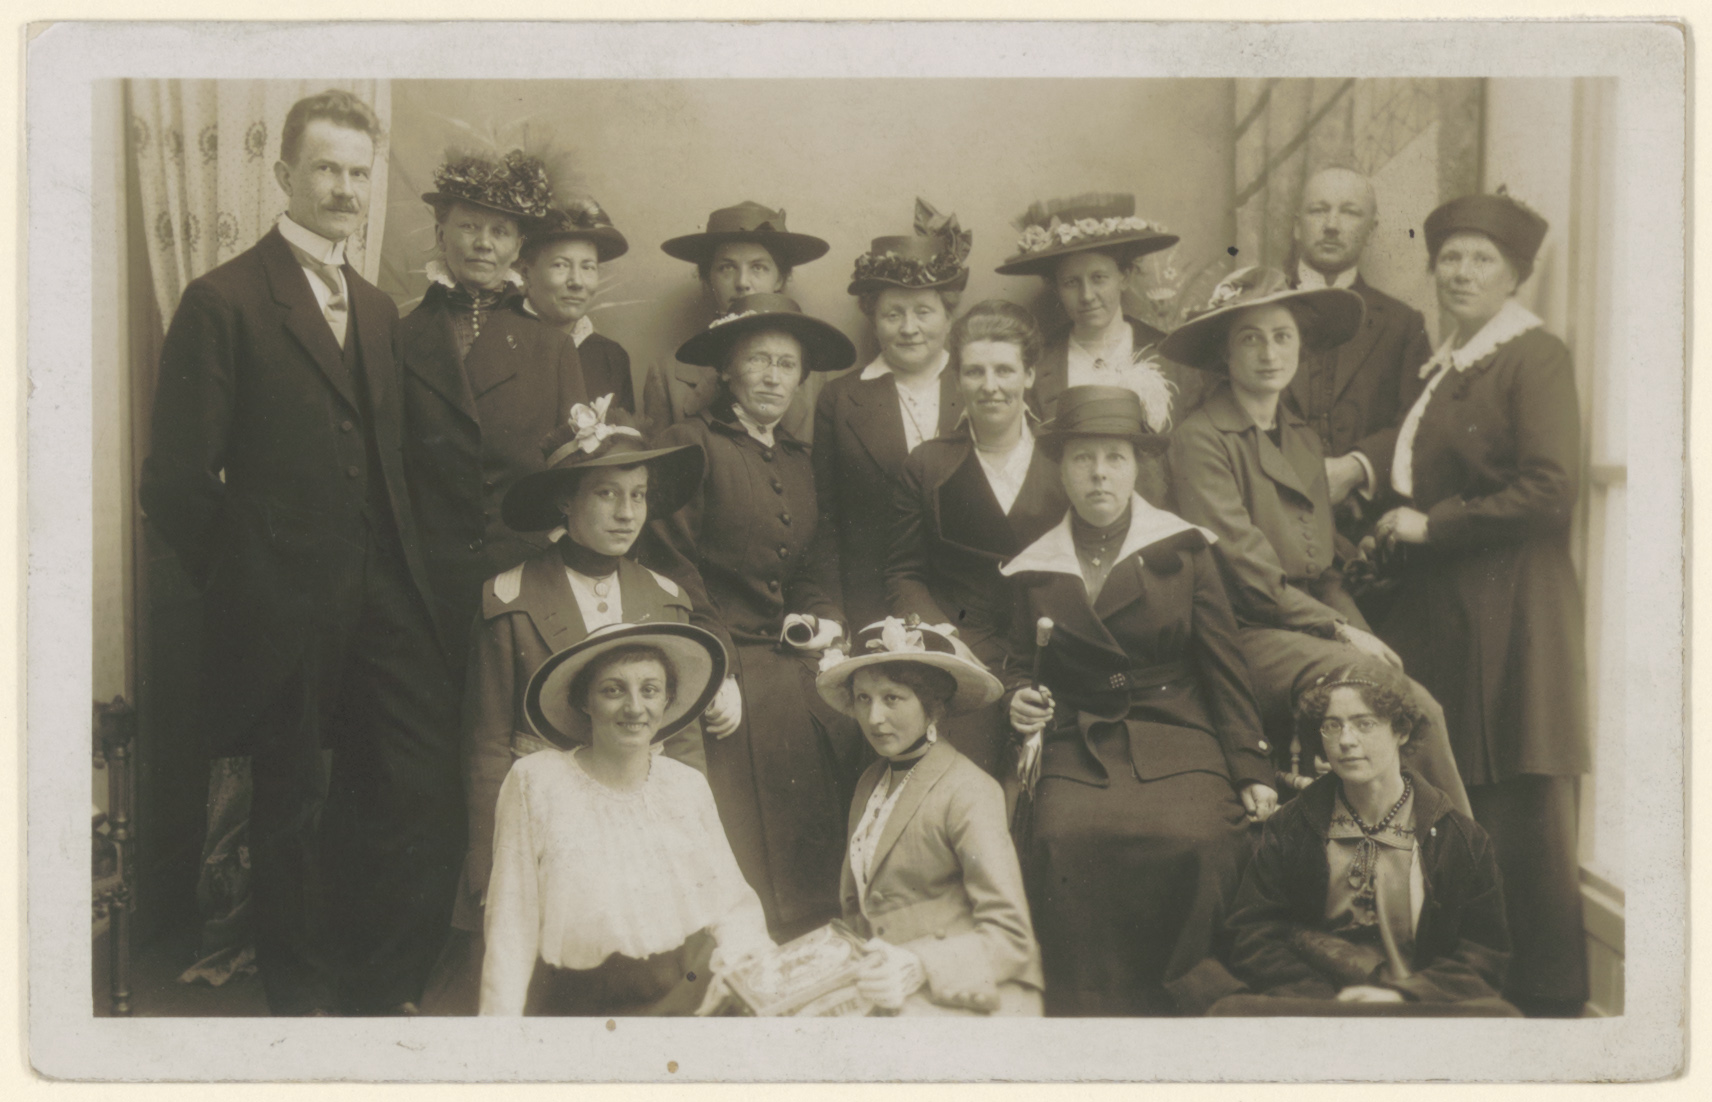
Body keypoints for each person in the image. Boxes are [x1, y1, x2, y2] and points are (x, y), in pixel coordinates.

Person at [139, 90, 459, 1015]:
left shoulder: (378, 308)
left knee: (412, 783)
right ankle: (305, 1005)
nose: (345, 189)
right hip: (280, 604)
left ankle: (381, 988)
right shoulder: (224, 300)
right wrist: (249, 579)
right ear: (283, 175)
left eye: (359, 173)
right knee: (294, 810)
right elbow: (176, 483)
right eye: (326, 169)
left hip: (385, 593)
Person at [422, 397, 741, 1013]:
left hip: (640, 821)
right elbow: (486, 746)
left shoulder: (666, 600)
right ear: (565, 503)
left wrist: (691, 851)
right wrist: (489, 865)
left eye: (639, 495)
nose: (627, 513)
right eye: (606, 495)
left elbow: (682, 747)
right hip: (546, 834)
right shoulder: (511, 600)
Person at [1368, 190, 1590, 1017]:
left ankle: (1542, 995)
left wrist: (1434, 524)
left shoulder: (1534, 357)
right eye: (1449, 258)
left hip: (1515, 607)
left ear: (1514, 276)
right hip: (1454, 606)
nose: (1460, 272)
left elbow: (1551, 488)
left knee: (1514, 794)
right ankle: (1467, 980)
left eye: (1481, 260)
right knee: (1459, 788)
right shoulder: (1453, 361)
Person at [999, 385, 1274, 1016]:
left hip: (1177, 726)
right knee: (1060, 840)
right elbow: (1016, 662)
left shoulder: (1184, 548)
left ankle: (1193, 1005)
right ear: (1061, 471)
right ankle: (1088, 1012)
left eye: (1115, 458)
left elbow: (1224, 664)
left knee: (1204, 838)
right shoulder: (1034, 566)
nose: (1099, 473)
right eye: (1082, 458)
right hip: (1077, 735)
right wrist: (1017, 699)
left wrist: (1250, 764)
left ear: (1137, 468)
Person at [1162, 267, 1469, 813]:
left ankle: (1425, 851)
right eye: (1250, 339)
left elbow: (1322, 571)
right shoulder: (1201, 439)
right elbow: (1248, 576)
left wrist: (1361, 634)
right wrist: (1340, 632)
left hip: (1302, 629)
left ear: (1300, 347)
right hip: (1239, 635)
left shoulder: (1301, 438)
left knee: (1407, 699)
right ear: (1225, 355)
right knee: (1402, 701)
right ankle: (1456, 851)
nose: (1269, 353)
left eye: (1282, 336)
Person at [643, 292, 864, 940]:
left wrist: (825, 619)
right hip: (722, 658)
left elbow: (812, 564)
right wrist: (714, 667)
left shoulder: (797, 460)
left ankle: (821, 933)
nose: (772, 377)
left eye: (786, 365)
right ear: (728, 370)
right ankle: (758, 939)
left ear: (801, 379)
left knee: (839, 725)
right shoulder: (690, 444)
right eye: (758, 360)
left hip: (787, 657)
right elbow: (671, 565)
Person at [1190, 660, 1518, 1017]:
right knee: (1225, 1007)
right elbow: (1252, 934)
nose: (1346, 741)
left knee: (1500, 1016)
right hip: (1314, 1007)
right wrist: (1318, 998)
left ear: (1401, 731)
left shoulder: (1459, 838)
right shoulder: (1292, 826)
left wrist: (1402, 996)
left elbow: (1483, 956)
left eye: (1365, 724)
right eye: (1333, 725)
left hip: (1411, 1010)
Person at [479, 623, 774, 1016]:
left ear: (667, 699)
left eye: (650, 690)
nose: (635, 708)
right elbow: (511, 922)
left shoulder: (685, 786)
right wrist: (499, 1031)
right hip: (577, 1005)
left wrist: (760, 983)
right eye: (613, 690)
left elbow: (733, 906)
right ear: (584, 700)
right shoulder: (536, 781)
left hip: (683, 997)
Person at [398, 147, 589, 674]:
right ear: (441, 233)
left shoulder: (552, 348)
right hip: (422, 585)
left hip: (524, 581)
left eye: (500, 231)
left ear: (518, 246)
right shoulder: (398, 338)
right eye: (469, 227)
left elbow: (573, 479)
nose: (483, 243)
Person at [814, 619, 1044, 1016]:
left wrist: (918, 965)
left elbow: (1012, 938)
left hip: (958, 993)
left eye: (893, 698)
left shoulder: (968, 790)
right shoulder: (870, 783)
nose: (874, 718)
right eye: (863, 698)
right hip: (883, 987)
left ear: (932, 705)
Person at [884, 299, 1068, 777]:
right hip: (961, 660)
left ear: (1030, 375)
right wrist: (947, 645)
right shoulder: (927, 465)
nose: (990, 386)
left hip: (1053, 657)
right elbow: (904, 573)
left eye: (1004, 370)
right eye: (974, 372)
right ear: (957, 378)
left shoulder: (1065, 461)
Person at [815, 199, 971, 630]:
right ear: (873, 319)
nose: (908, 328)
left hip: (968, 605)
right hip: (872, 606)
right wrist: (834, 616)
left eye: (923, 312)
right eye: (892, 314)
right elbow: (826, 523)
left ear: (948, 316)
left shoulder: (978, 386)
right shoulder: (841, 399)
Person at [1285, 167, 1434, 526]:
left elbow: (1424, 424)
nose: (1332, 225)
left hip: (1366, 528)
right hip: (1266, 523)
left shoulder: (1402, 325)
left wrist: (1357, 468)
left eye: (1350, 212)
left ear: (1371, 229)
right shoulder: (1252, 313)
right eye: (1318, 210)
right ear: (1296, 225)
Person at [994, 192, 1204, 435]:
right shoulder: (1039, 365)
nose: (1087, 295)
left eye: (1099, 278)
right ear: (1056, 288)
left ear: (1124, 277)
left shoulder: (1173, 359)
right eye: (1071, 282)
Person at [641, 201, 831, 441]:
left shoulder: (812, 376)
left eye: (758, 267)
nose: (742, 282)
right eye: (726, 268)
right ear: (708, 278)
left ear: (780, 279)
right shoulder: (668, 373)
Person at [517, 195, 637, 413]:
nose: (577, 282)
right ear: (526, 273)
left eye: (588, 267)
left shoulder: (611, 357)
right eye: (560, 265)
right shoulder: (500, 339)